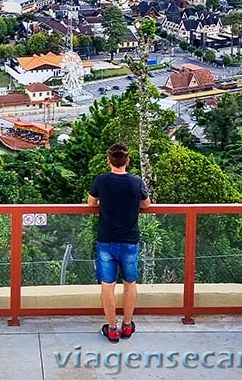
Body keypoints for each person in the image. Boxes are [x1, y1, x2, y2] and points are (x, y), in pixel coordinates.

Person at [87, 143, 151, 343]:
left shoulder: (101, 181)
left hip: (106, 240)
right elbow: (146, 204)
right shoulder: (136, 182)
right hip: (130, 240)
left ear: (109, 160)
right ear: (127, 161)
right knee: (130, 284)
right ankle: (127, 325)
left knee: (108, 285)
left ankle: (112, 328)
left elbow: (91, 203)